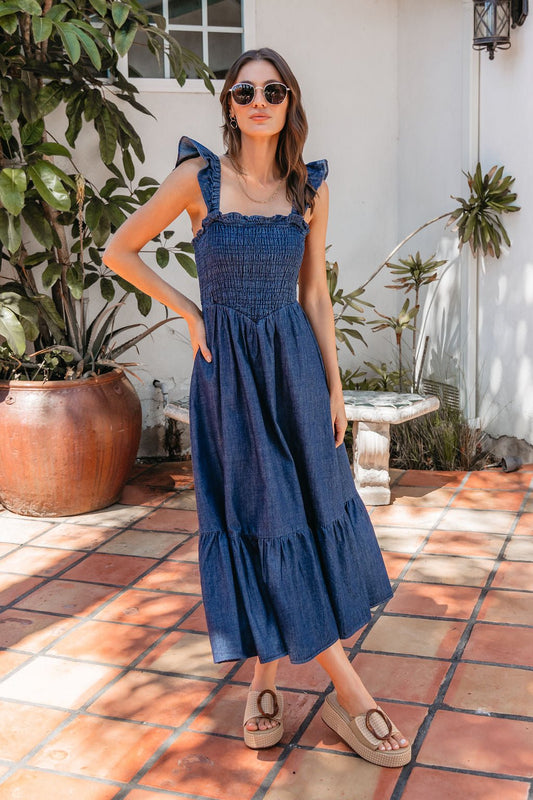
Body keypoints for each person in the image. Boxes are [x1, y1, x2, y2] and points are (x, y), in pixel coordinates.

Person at [103, 47, 411, 768]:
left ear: (289, 101)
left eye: (273, 89)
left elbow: (314, 294)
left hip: (296, 372)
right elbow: (121, 249)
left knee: (301, 510)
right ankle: (353, 696)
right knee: (258, 516)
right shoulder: (197, 178)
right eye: (245, 91)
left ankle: (265, 676)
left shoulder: (309, 187)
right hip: (230, 382)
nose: (259, 100)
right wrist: (188, 310)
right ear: (229, 104)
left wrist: (335, 388)